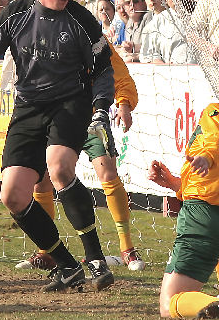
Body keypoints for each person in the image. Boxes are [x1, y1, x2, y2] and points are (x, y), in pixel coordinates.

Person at [0, 0, 116, 292]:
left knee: (59, 168)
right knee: (13, 196)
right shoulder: (17, 13)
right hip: (28, 106)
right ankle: (65, 265)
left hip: (70, 103)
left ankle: (94, 257)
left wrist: (101, 108)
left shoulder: (82, 20)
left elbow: (104, 68)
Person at [17, 38, 146, 273]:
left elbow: (121, 75)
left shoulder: (93, 38)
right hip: (56, 120)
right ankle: (46, 252)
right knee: (43, 179)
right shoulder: (42, 37)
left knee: (107, 171)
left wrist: (124, 104)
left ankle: (127, 248)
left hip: (90, 118)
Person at [148, 68, 219, 320]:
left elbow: (217, 139)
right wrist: (177, 184)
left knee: (168, 306)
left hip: (205, 218)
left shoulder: (217, 111)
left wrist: (206, 157)